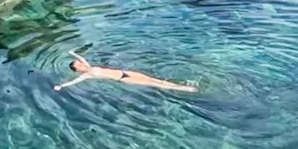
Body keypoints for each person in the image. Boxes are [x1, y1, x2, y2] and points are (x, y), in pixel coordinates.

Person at [53, 51, 197, 93]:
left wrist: (73, 53)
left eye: (79, 63)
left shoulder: (87, 66)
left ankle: (179, 85)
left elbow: (82, 57)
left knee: (155, 79)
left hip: (125, 72)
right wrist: (61, 86)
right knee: (154, 84)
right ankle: (184, 88)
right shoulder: (86, 74)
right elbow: (73, 81)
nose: (80, 64)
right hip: (124, 79)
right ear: (77, 69)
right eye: (78, 64)